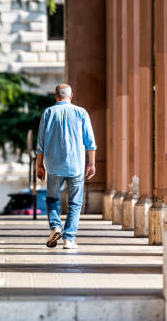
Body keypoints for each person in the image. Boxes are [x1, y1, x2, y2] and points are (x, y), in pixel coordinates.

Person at [36, 83, 96, 249]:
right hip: (76, 165)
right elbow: (90, 142)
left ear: (56, 96)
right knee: (75, 202)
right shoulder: (81, 112)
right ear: (71, 96)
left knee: (52, 199)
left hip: (54, 165)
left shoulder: (48, 112)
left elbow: (40, 143)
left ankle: (56, 226)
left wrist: (39, 165)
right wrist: (91, 163)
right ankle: (69, 239)